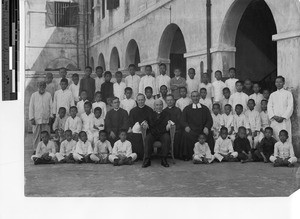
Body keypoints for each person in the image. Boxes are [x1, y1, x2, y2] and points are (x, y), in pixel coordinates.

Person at [181, 91, 214, 160]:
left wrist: (207, 127)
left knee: (209, 134)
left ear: (199, 97)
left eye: (197, 96)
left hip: (202, 130)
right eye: (193, 96)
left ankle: (207, 155)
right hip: (191, 130)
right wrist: (186, 126)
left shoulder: (205, 108)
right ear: (191, 98)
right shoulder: (187, 109)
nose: (195, 98)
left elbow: (209, 120)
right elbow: (183, 120)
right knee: (185, 134)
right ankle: (188, 155)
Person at [143, 99, 171, 168]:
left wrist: (169, 123)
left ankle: (164, 159)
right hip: (153, 133)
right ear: (154, 106)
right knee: (148, 138)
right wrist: (145, 122)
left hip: (162, 133)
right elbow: (145, 120)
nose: (159, 107)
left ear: (163, 106)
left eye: (160, 105)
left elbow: (170, 121)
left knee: (167, 138)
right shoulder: (150, 114)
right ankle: (147, 159)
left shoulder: (166, 114)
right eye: (157, 105)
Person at [128, 94, 153, 160]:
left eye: (142, 100)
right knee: (132, 135)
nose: (141, 101)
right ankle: (136, 155)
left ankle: (146, 155)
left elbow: (152, 122)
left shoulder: (149, 110)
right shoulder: (133, 111)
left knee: (147, 136)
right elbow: (130, 122)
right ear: (136, 101)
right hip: (136, 131)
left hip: (147, 130)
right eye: (139, 100)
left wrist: (147, 125)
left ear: (145, 100)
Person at [267, 76, 293, 142]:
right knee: (275, 137)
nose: (278, 84)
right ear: (275, 83)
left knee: (285, 137)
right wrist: (274, 116)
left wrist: (283, 117)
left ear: (283, 83)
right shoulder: (272, 95)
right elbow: (269, 107)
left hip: (284, 120)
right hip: (275, 120)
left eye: (280, 82)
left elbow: (290, 106)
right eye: (277, 82)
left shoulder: (288, 94)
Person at [29, 81, 52, 153]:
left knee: (46, 134)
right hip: (36, 119)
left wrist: (51, 116)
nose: (42, 87)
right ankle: (36, 149)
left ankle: (47, 149)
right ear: (37, 86)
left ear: (45, 86)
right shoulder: (34, 95)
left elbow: (51, 106)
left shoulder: (48, 95)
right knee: (36, 135)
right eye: (40, 85)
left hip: (46, 118)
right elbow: (31, 107)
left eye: (43, 85)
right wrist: (31, 118)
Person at [163, 94, 182, 159]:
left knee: (178, 134)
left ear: (174, 101)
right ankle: (165, 153)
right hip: (167, 130)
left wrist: (173, 125)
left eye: (171, 100)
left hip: (176, 129)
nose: (170, 102)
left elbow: (179, 121)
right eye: (168, 100)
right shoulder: (164, 111)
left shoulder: (178, 110)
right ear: (166, 101)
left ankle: (176, 154)